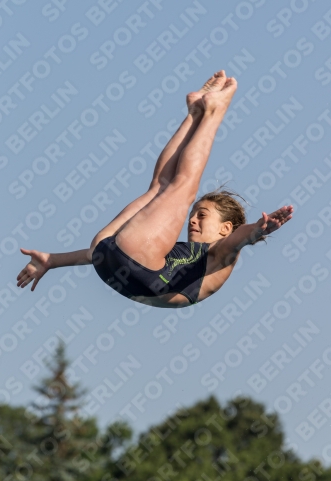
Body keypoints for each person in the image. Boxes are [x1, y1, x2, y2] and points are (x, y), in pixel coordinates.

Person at [16, 71, 293, 308]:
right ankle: (195, 114)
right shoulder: (177, 252)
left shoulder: (222, 254)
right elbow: (94, 256)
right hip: (109, 254)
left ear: (225, 228)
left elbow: (240, 239)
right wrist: (53, 260)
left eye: (203, 215)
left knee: (183, 186)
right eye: (194, 215)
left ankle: (211, 112)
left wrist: (259, 229)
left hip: (127, 260)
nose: (192, 220)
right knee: (159, 188)